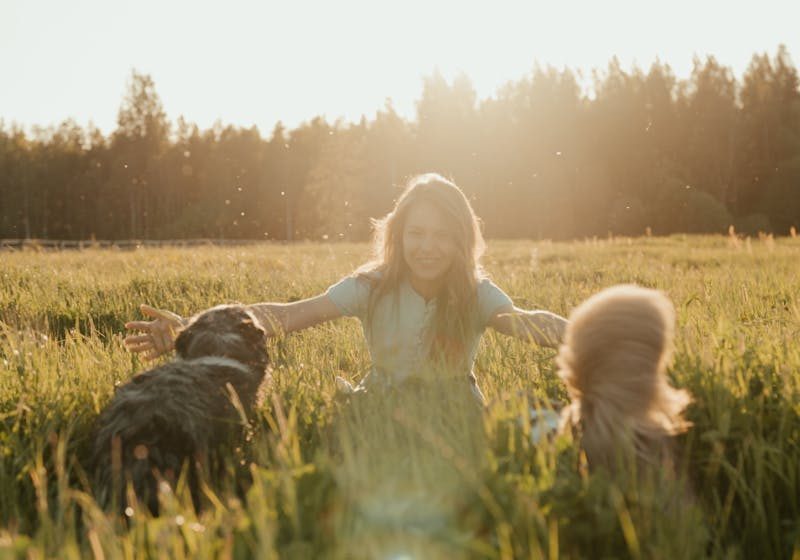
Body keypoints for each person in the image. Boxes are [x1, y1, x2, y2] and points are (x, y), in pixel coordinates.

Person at [124, 173, 568, 404]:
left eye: (442, 235)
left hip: (457, 412)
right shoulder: (371, 286)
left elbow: (528, 324)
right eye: (416, 233)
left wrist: (594, 335)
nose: (427, 247)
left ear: (461, 240)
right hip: (379, 406)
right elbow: (288, 314)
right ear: (398, 234)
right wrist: (191, 329)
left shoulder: (475, 292)